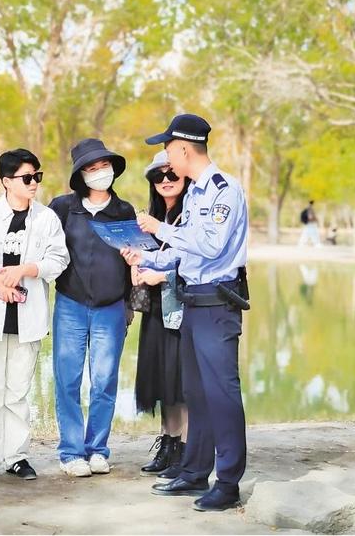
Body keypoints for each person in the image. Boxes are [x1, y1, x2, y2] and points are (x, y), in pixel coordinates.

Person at [123, 113, 249, 512]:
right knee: (196, 392)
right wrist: (147, 259)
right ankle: (195, 472)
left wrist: (158, 229)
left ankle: (227, 483)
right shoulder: (195, 194)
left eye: (167, 149)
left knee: (221, 394)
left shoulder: (223, 190)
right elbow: (185, 251)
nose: (165, 158)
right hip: (193, 300)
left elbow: (211, 245)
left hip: (217, 302)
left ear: (183, 149)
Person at [0, 149, 69, 483]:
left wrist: (26, 269)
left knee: (18, 393)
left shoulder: (46, 219)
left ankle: (17, 457)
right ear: (6, 181)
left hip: (28, 319)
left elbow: (59, 260)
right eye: (27, 178)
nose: (34, 183)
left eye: (37, 176)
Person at [48, 138, 135, 477]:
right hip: (70, 305)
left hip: (111, 308)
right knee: (67, 380)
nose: (100, 172)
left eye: (104, 166)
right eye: (92, 168)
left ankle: (97, 449)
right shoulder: (63, 208)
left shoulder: (124, 211)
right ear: (80, 174)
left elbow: (134, 260)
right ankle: (71, 452)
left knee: (104, 381)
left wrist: (128, 304)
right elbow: (47, 252)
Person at [134, 150, 190, 478]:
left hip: (182, 308)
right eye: (158, 176)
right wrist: (135, 261)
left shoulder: (191, 214)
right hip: (156, 307)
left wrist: (164, 276)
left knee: (181, 382)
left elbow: (198, 261)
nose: (165, 181)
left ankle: (186, 450)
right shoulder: (153, 218)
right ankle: (168, 444)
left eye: (171, 174)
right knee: (162, 380)